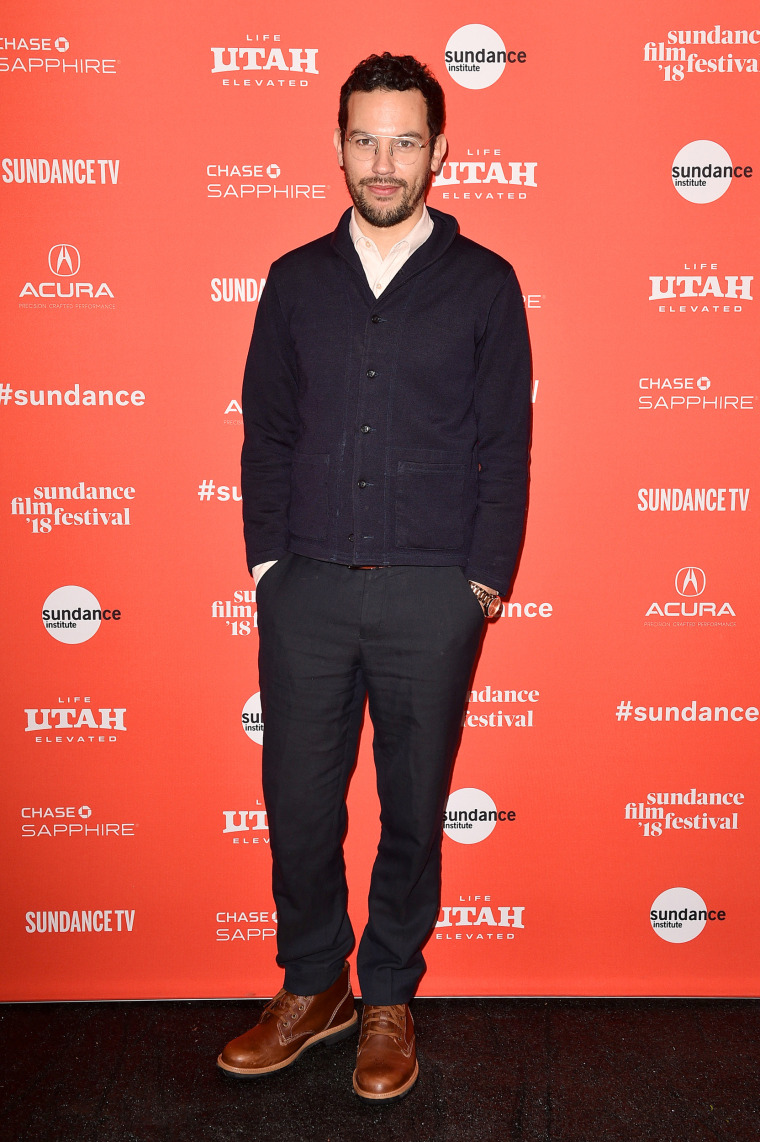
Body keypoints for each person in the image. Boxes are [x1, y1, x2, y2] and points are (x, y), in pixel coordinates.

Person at [218, 51, 531, 1100]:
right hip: (306, 586)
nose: (384, 162)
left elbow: (505, 445)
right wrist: (270, 564)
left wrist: (479, 583)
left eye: (404, 141)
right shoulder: (294, 279)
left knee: (411, 804)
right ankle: (316, 986)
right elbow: (266, 432)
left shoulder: (485, 283)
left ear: (439, 150)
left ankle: (389, 992)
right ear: (339, 146)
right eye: (365, 139)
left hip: (431, 595)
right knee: (298, 803)